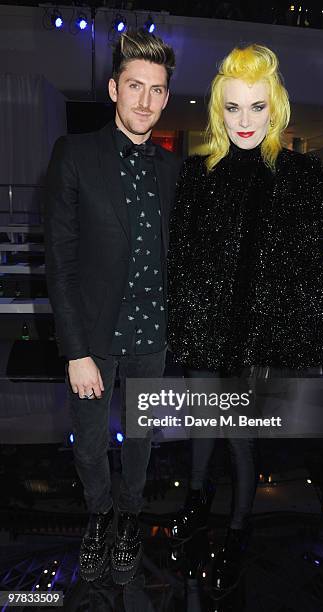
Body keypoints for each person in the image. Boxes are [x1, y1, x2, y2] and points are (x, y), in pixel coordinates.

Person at [167, 43, 323, 592]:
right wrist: (185, 325)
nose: (244, 120)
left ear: (275, 108)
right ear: (219, 109)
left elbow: (310, 271)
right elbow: (183, 259)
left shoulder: (300, 176)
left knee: (239, 439)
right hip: (202, 330)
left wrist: (285, 349)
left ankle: (239, 525)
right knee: (201, 427)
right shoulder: (198, 174)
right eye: (233, 107)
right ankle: (197, 498)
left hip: (254, 340)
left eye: (256, 107)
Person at [45, 30, 180, 584]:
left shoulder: (174, 170)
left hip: (154, 336)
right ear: (113, 89)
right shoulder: (74, 154)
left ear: (166, 97)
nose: (145, 101)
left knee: (143, 442)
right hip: (95, 338)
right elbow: (60, 261)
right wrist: (76, 351)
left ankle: (129, 516)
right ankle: (99, 515)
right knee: (92, 443)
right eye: (134, 87)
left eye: (156, 90)